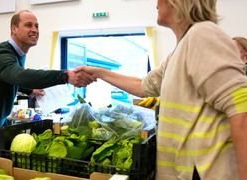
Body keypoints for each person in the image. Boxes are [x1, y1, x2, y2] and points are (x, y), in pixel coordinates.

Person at [78, 0, 247, 179]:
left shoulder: (203, 34)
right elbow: (144, 86)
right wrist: (98, 72)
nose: (156, 4)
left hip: (203, 172)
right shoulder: (181, 47)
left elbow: (241, 108)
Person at [0, 10, 95, 159]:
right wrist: (65, 76)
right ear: (14, 28)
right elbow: (18, 75)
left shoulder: (18, 54)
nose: (35, 30)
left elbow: (9, 78)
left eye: (37, 26)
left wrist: (30, 90)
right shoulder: (2, 53)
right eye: (28, 25)